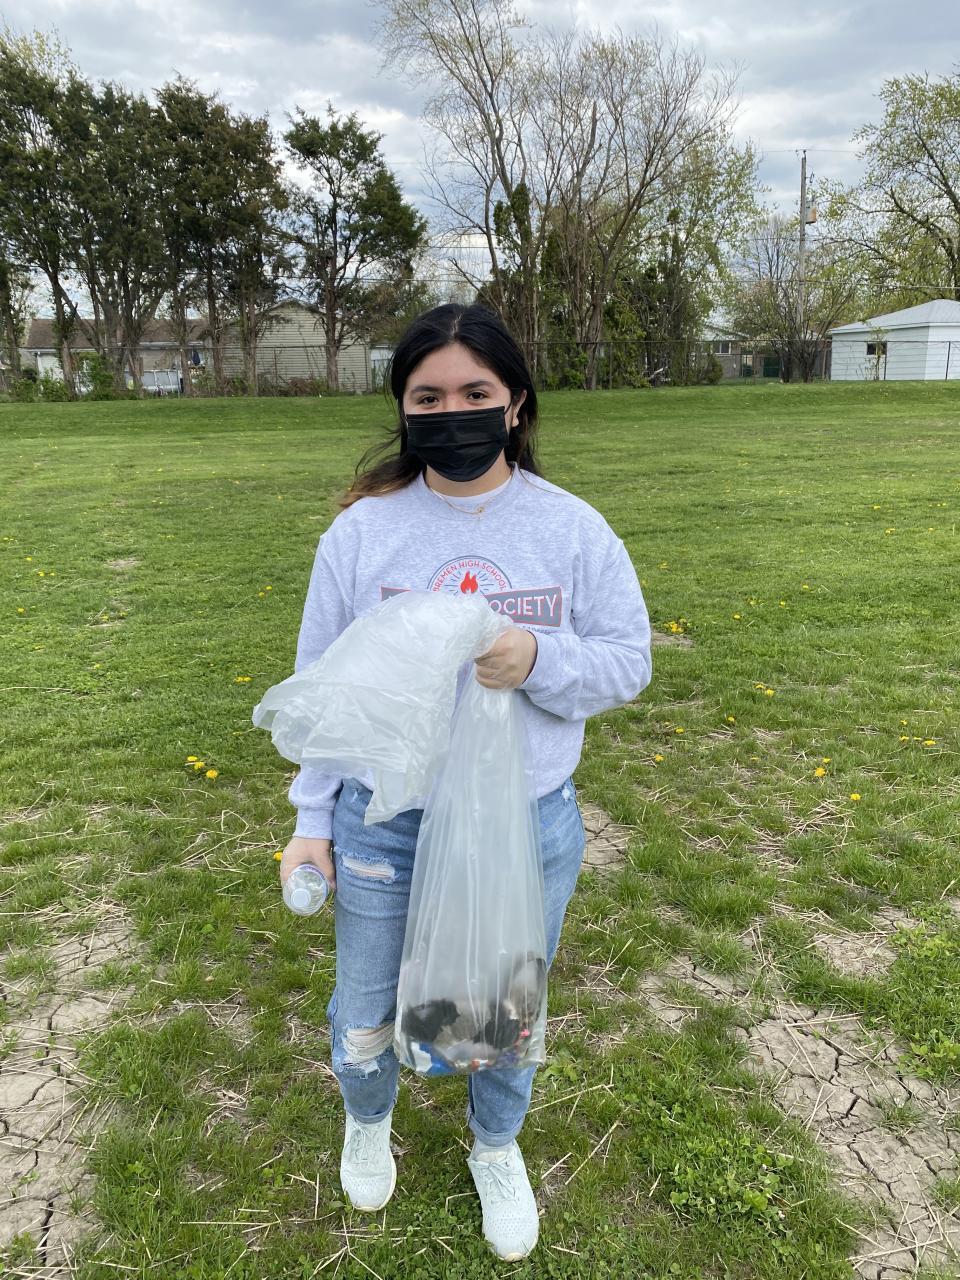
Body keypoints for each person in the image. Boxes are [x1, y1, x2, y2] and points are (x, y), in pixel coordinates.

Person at [278, 303, 652, 1262]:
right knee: (367, 1008)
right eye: (429, 398)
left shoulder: (571, 530)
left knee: (499, 1008)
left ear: (515, 403)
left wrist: (537, 657)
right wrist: (311, 820)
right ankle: (369, 1119)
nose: (453, 413)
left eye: (475, 393)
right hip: (384, 822)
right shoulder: (363, 535)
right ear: (404, 410)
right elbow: (327, 691)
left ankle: (495, 1145)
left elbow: (628, 662)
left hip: (521, 823)